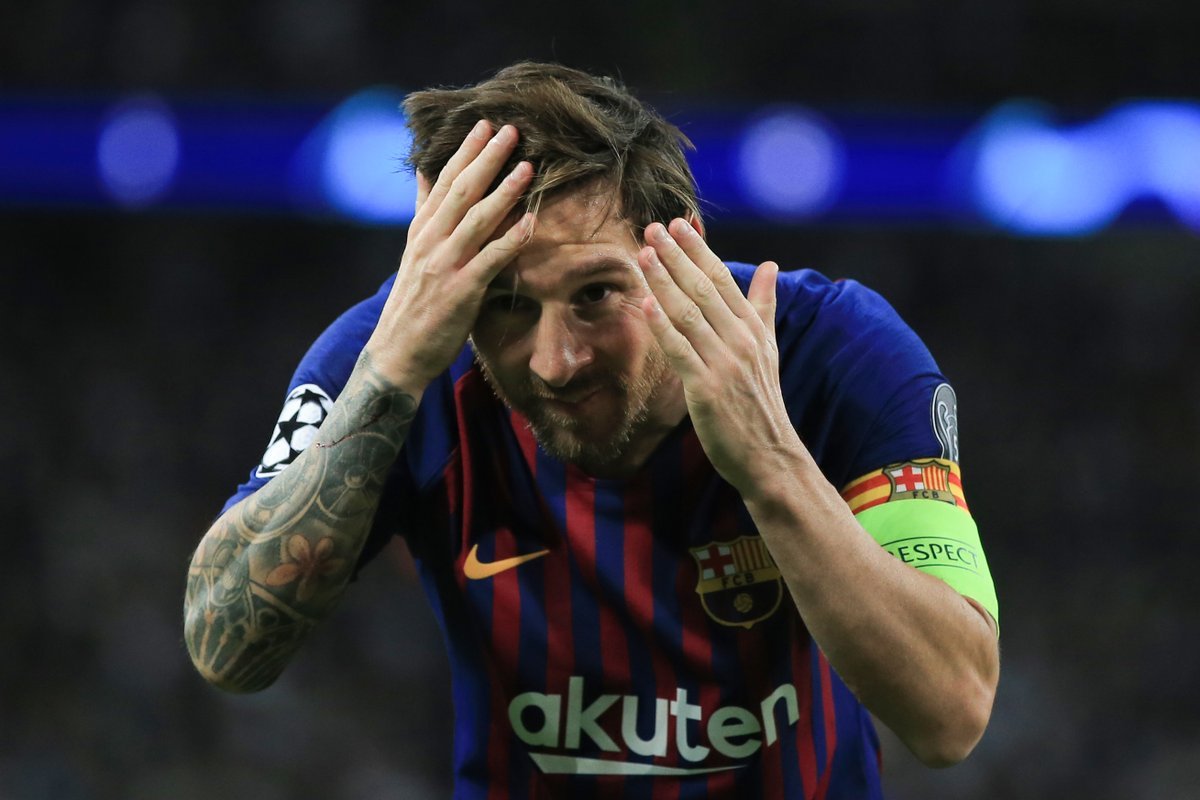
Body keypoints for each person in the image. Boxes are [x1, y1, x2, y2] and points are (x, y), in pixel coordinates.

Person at [184, 61, 1000, 799]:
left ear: (682, 248)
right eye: (506, 304)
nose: (555, 362)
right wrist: (389, 374)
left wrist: (771, 464)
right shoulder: (397, 357)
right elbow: (224, 647)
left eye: (596, 294)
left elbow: (951, 715)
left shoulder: (833, 354)